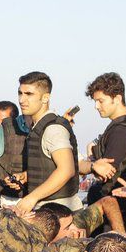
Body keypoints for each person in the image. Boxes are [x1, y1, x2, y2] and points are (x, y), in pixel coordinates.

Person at [82, 72, 126, 229]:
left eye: (101, 101)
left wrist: (91, 161)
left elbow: (105, 172)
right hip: (122, 206)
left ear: (117, 98)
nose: (96, 106)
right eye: (95, 101)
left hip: (117, 210)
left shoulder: (122, 131)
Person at [14, 71, 81, 214]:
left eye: (29, 94)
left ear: (45, 98)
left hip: (62, 213)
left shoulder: (53, 129)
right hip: (48, 211)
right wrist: (27, 175)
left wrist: (32, 198)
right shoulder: (38, 127)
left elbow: (66, 170)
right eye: (20, 93)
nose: (21, 100)